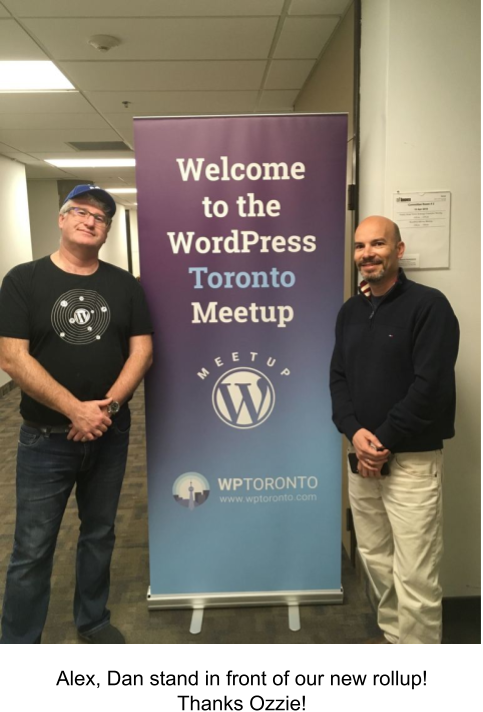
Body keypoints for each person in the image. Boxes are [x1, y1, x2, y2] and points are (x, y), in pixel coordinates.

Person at [0, 185, 153, 644]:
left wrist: (106, 409)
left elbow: (142, 351)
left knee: (100, 532)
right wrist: (75, 411)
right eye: (81, 212)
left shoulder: (124, 285)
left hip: (110, 431)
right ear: (62, 220)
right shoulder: (23, 280)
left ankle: (92, 620)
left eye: (101, 217)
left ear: (107, 231)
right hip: (45, 438)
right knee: (32, 548)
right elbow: (12, 357)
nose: (91, 221)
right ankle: (20, 637)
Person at [330, 215, 459, 644]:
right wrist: (354, 432)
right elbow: (338, 379)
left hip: (412, 462)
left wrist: (381, 439)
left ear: (398, 251)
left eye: (378, 244)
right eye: (360, 246)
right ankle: (392, 635)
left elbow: (431, 387)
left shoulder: (429, 306)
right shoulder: (349, 311)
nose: (367, 254)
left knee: (416, 574)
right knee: (376, 560)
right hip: (362, 456)